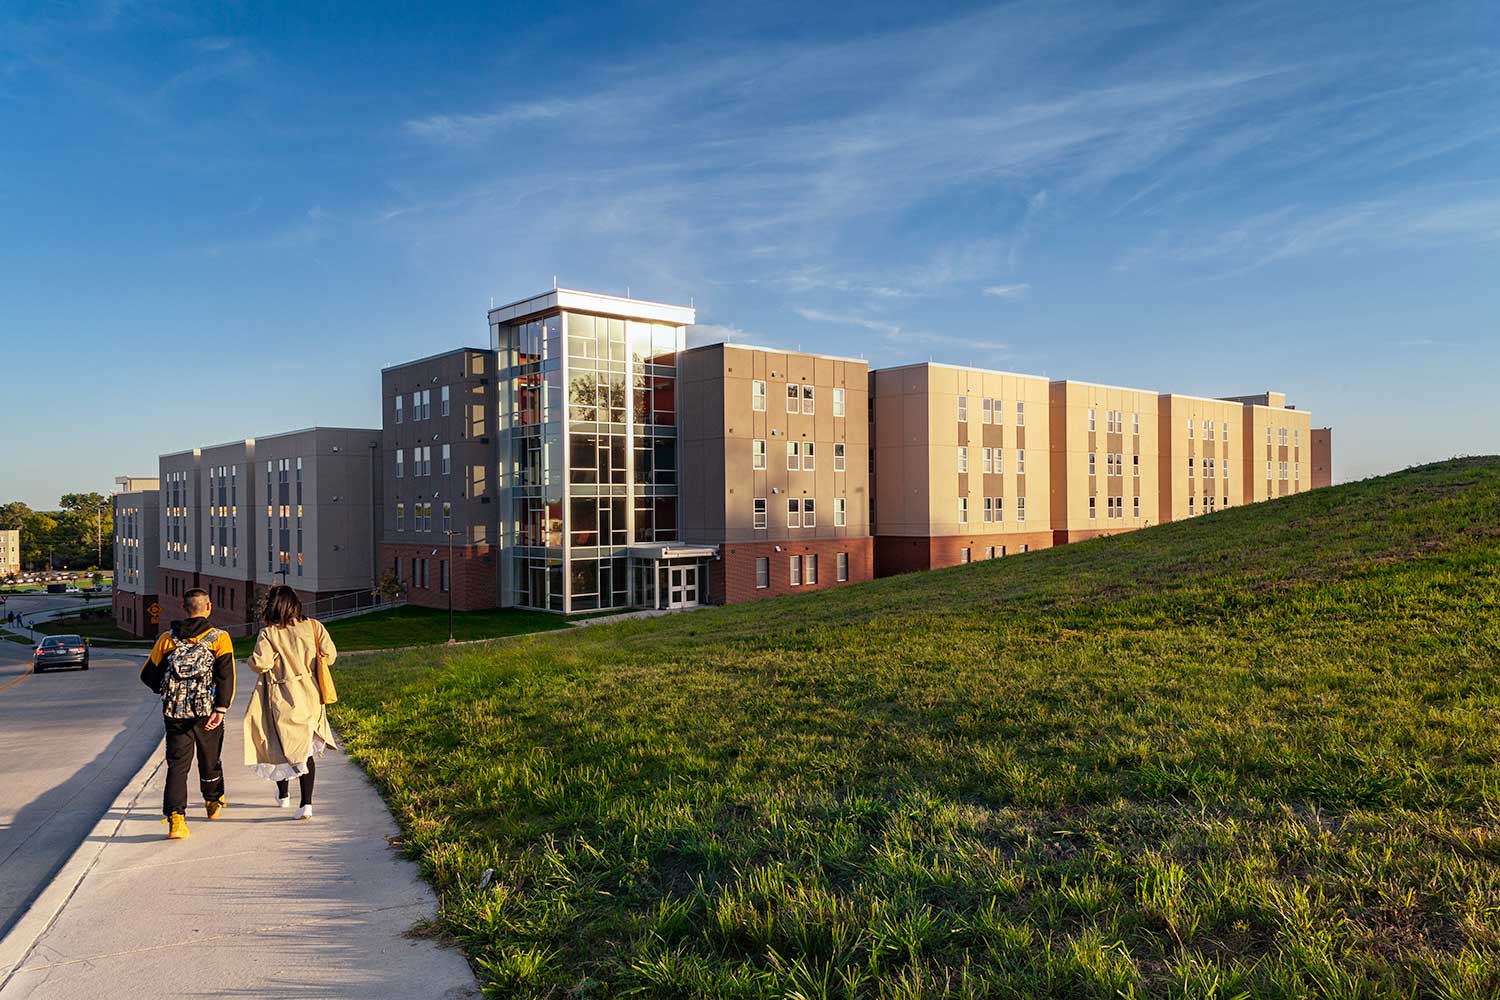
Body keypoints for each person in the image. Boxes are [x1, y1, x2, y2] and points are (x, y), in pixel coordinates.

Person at [139, 588, 235, 840]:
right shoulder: (219, 638)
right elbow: (226, 676)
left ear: (184, 608)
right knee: (209, 758)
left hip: (175, 714)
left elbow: (147, 675)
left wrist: (168, 691)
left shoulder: (167, 639)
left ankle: (176, 820)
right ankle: (212, 802)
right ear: (208, 607)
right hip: (206, 713)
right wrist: (221, 708)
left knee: (177, 766)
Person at [243, 586, 336, 820]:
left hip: (282, 693)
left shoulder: (269, 634)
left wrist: (256, 659)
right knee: (304, 748)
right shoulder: (315, 627)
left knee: (282, 743)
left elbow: (260, 664)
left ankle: (283, 795)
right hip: (311, 693)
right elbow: (331, 655)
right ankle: (307, 803)